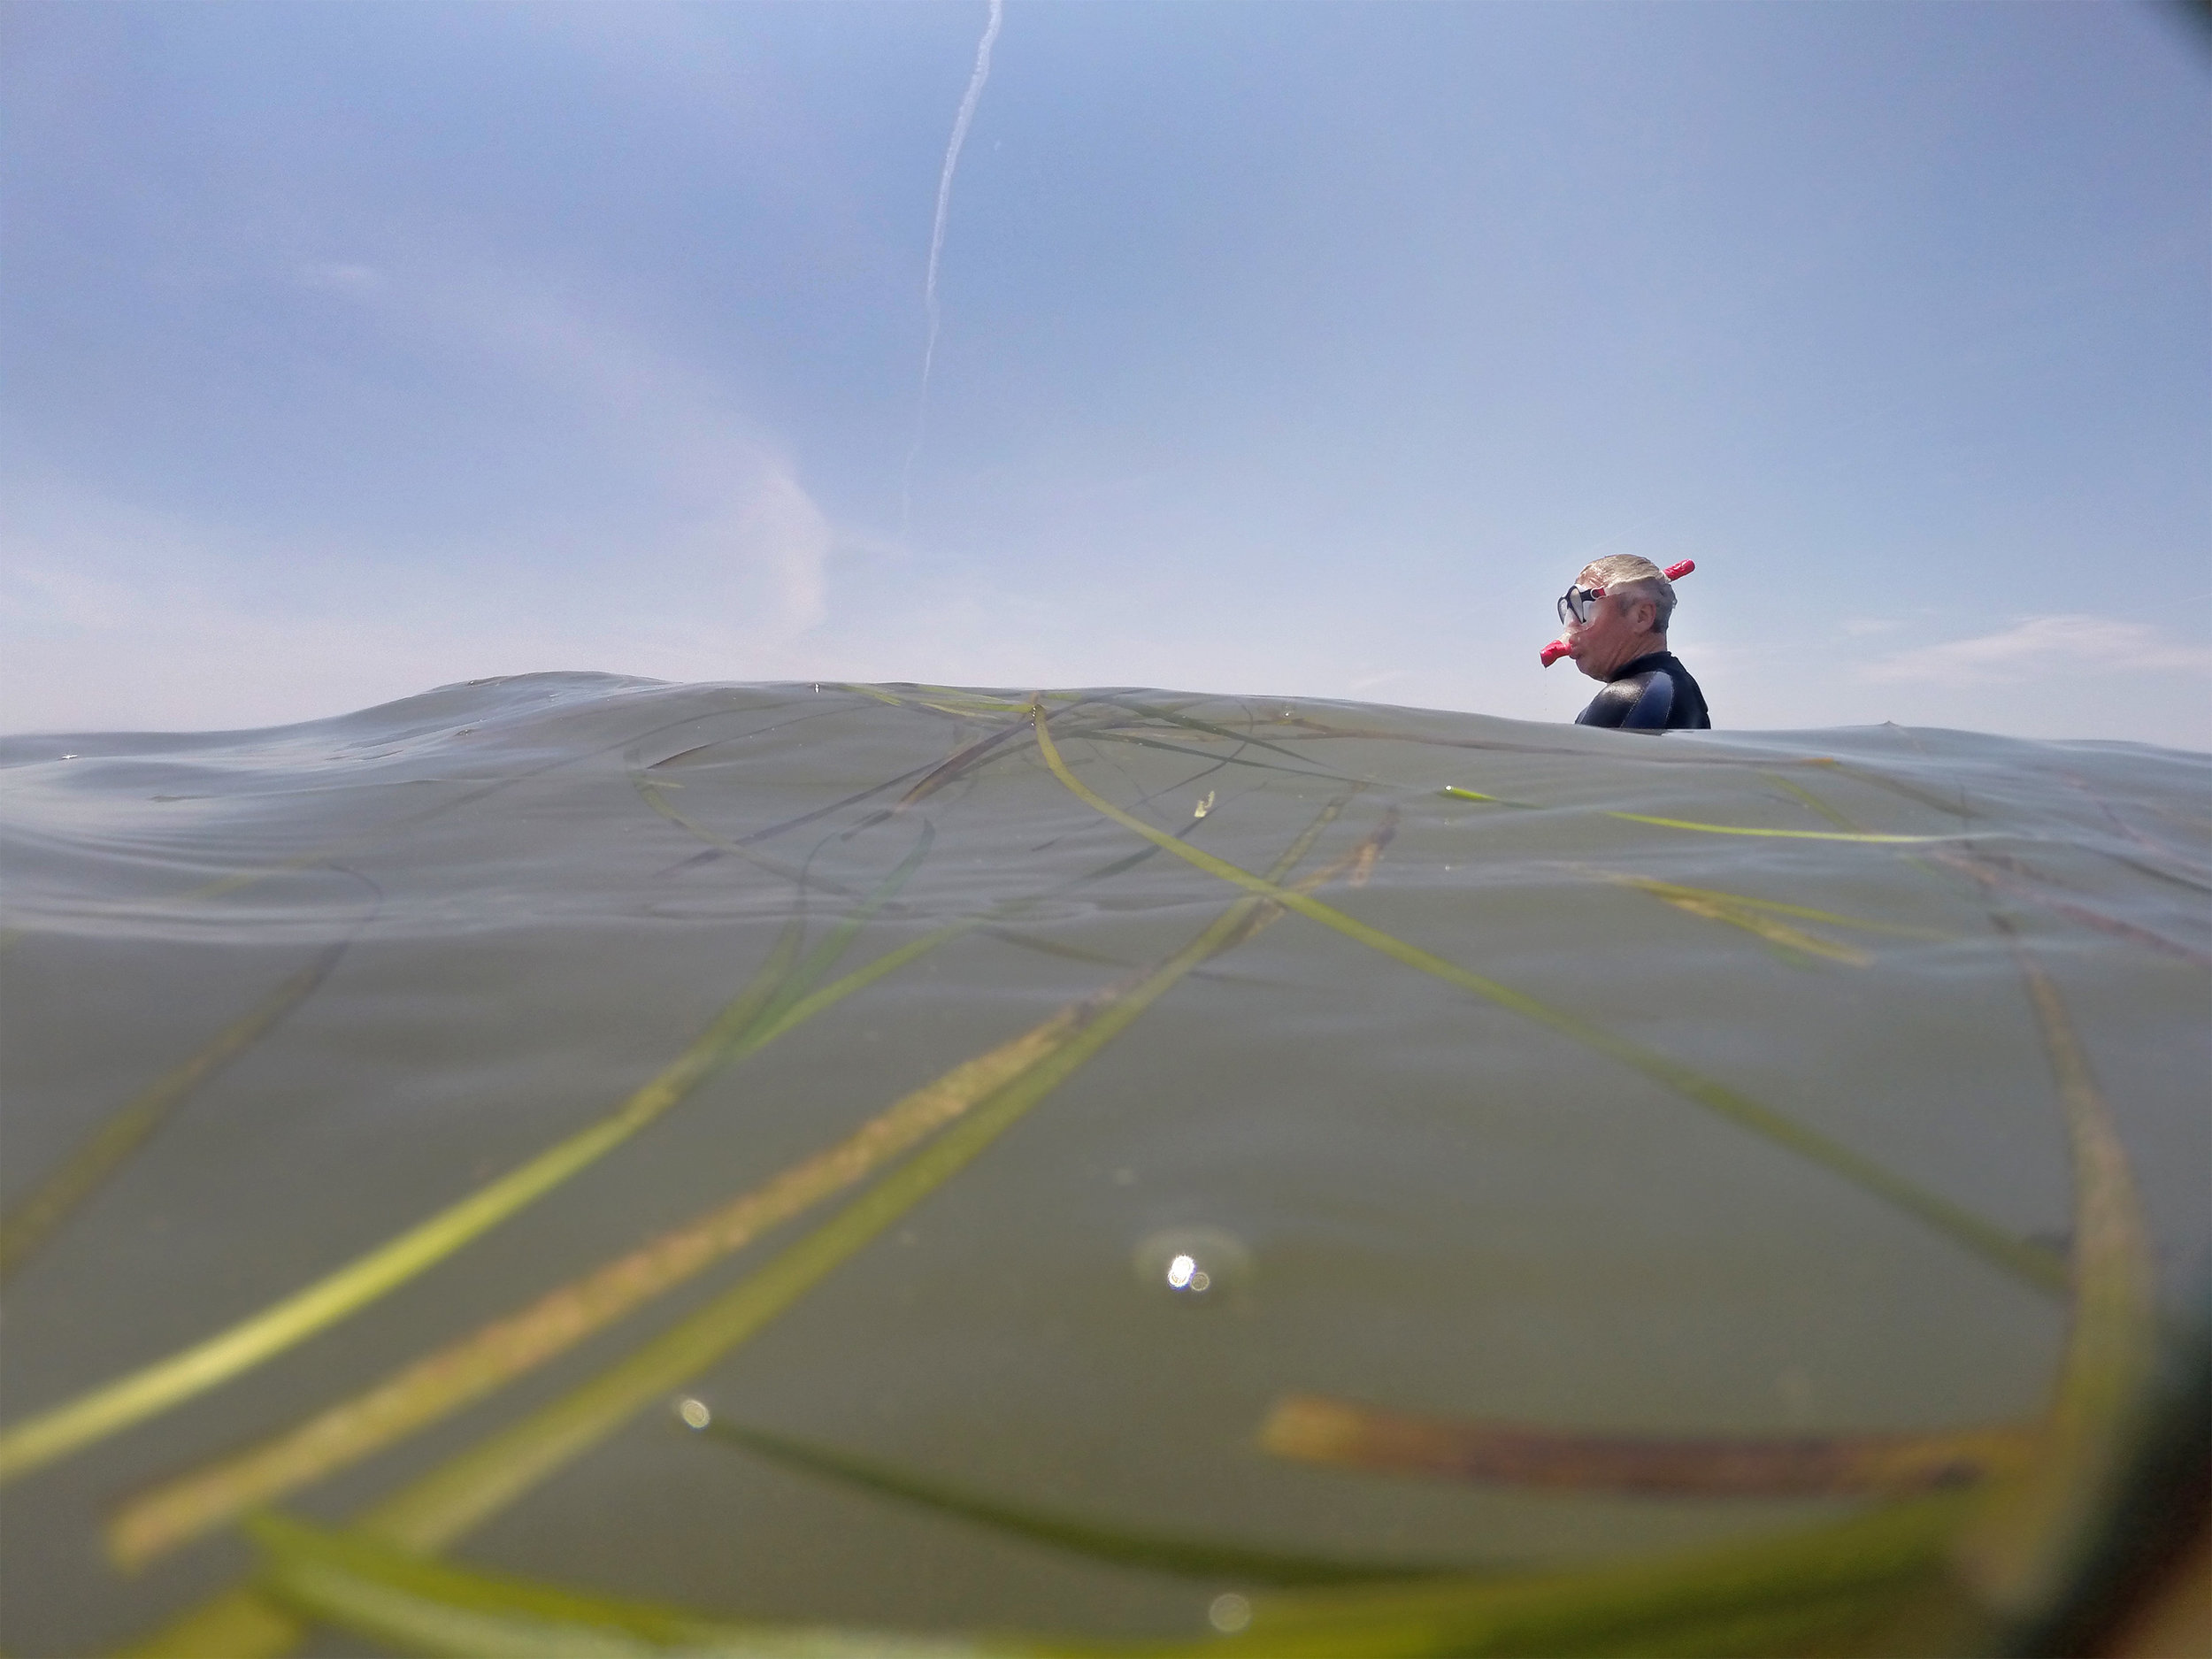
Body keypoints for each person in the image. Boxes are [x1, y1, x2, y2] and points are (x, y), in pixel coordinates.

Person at [1556, 555, 1710, 730]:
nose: (1571, 628)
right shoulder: (1674, 687)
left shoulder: (1628, 699)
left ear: (1641, 616)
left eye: (1582, 609)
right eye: (1568, 613)